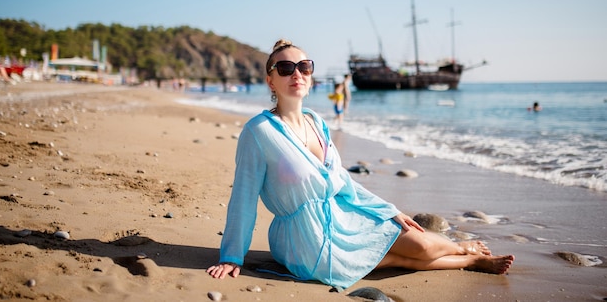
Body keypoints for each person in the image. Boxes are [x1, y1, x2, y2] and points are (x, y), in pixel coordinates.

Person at [206, 39, 514, 289]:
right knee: (403, 258)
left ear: (311, 76)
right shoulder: (258, 132)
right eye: (285, 68)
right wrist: (232, 256)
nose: (296, 74)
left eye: (304, 67)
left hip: (342, 219)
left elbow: (341, 181)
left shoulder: (316, 122)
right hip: (303, 240)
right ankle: (469, 256)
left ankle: (464, 252)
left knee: (416, 245)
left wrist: (389, 210)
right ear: (270, 80)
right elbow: (243, 197)